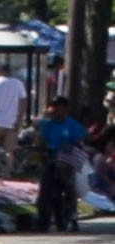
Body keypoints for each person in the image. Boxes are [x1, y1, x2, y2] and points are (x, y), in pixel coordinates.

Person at [35, 96, 85, 232]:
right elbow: (41, 142)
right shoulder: (47, 124)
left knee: (67, 182)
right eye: (53, 106)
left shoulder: (72, 125)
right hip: (51, 156)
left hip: (68, 157)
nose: (55, 109)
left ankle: (73, 215)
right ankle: (43, 219)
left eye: (58, 106)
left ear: (65, 108)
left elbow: (78, 144)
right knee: (45, 185)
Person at [0, 62, 27, 179]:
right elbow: (23, 102)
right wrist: (19, 119)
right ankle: (8, 172)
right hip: (12, 122)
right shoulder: (19, 84)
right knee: (10, 150)